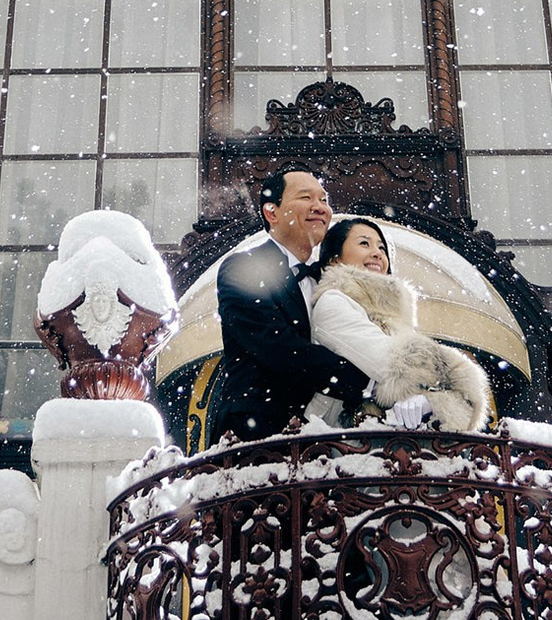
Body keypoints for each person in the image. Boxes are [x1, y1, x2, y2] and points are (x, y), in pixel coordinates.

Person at [204, 169, 372, 444]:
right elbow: (277, 347)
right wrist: (369, 382)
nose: (319, 207)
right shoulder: (244, 266)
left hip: (327, 442)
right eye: (306, 197)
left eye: (324, 199)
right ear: (272, 213)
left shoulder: (331, 279)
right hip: (258, 437)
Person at [306, 217, 491, 432]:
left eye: (382, 248)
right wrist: (457, 378)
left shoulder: (397, 318)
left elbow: (458, 404)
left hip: (396, 450)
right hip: (345, 448)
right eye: (364, 243)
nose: (377, 253)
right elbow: (396, 367)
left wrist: (433, 401)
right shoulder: (333, 302)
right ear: (335, 260)